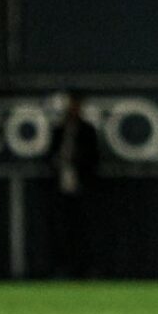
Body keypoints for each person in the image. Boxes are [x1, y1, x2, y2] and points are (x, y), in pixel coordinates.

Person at [48, 92, 100, 277]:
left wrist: (77, 160)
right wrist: (58, 162)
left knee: (84, 230)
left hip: (82, 186)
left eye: (76, 105)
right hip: (62, 186)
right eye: (71, 105)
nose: (73, 109)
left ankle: (87, 268)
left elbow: (94, 159)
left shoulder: (87, 130)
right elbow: (48, 156)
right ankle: (63, 268)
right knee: (62, 230)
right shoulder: (59, 129)